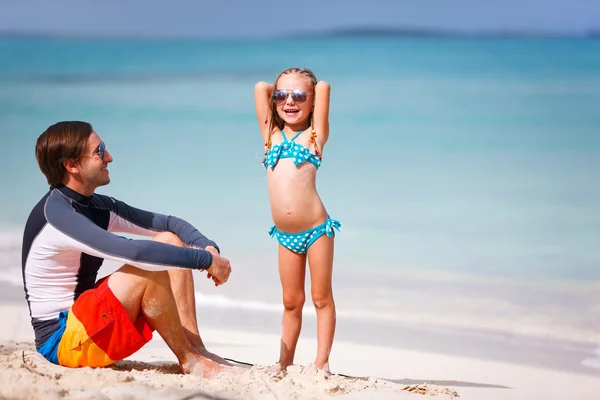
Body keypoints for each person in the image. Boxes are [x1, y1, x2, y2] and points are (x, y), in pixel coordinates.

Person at [21, 121, 241, 378]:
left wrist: (209, 249)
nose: (109, 157)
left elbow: (169, 224)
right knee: (149, 268)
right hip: (62, 343)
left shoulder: (95, 206)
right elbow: (134, 254)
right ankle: (189, 359)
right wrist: (204, 261)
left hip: (88, 322)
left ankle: (197, 350)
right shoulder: (59, 215)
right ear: (72, 166)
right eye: (99, 151)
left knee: (168, 240)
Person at [254, 68, 340, 375]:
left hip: (317, 230)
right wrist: (280, 89)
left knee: (320, 298)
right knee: (291, 302)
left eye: (299, 96)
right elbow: (259, 87)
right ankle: (284, 363)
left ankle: (321, 363)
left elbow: (326, 86)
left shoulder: (315, 136)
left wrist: (313, 91)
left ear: (313, 102)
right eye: (282, 95)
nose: (289, 101)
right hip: (285, 235)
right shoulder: (270, 135)